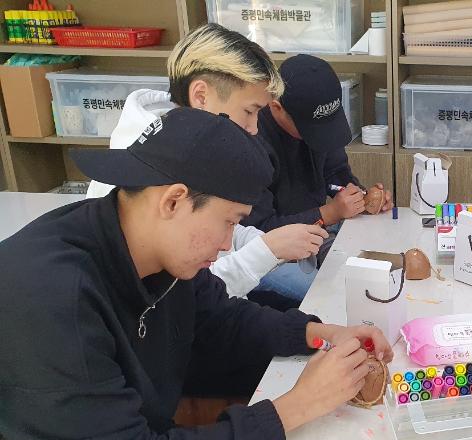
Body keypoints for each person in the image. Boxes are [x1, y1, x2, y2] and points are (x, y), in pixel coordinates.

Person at [0, 108, 394, 440]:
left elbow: (218, 318)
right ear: (174, 200)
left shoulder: (158, 252)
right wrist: (297, 406)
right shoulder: (49, 299)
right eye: (229, 222)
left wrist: (318, 333)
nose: (226, 245)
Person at [85, 23, 327, 308]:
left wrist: (266, 241)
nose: (253, 129)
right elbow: (188, 295)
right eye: (249, 111)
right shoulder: (148, 173)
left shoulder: (196, 148)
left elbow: (222, 231)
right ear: (201, 96)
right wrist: (266, 250)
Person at [245, 54, 393, 233]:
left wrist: (360, 198)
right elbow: (258, 228)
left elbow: (335, 171)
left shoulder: (321, 119)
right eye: (312, 132)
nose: (322, 137)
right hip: (276, 244)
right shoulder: (252, 142)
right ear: (276, 108)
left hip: (316, 233)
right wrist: (329, 213)